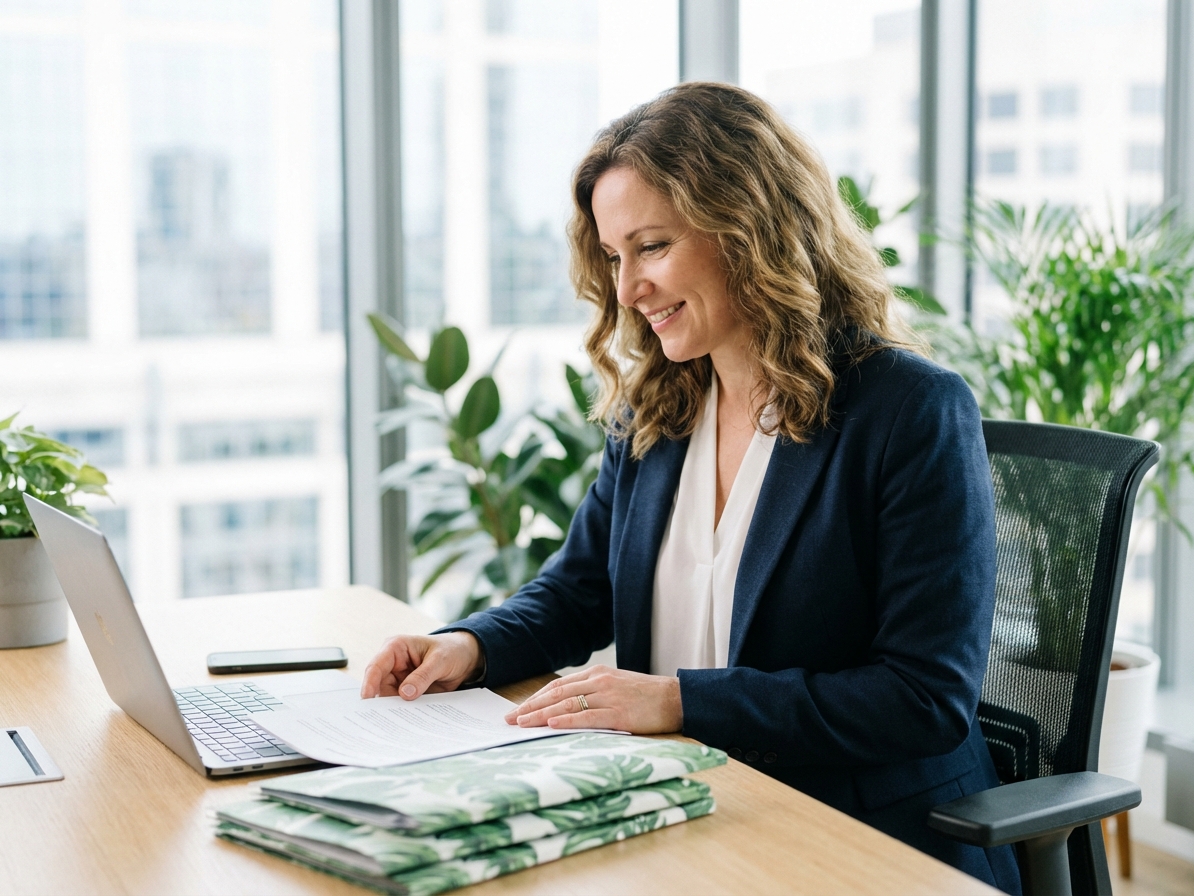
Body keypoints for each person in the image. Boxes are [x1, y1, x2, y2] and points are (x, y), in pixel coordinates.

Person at [361, 82, 1020, 893]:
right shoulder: (660, 409)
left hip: (857, 840)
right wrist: (469, 646)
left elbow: (922, 699)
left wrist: (681, 704)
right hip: (688, 814)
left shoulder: (909, 410)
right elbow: (576, 593)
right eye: (613, 256)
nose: (628, 288)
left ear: (749, 228)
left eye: (651, 247)